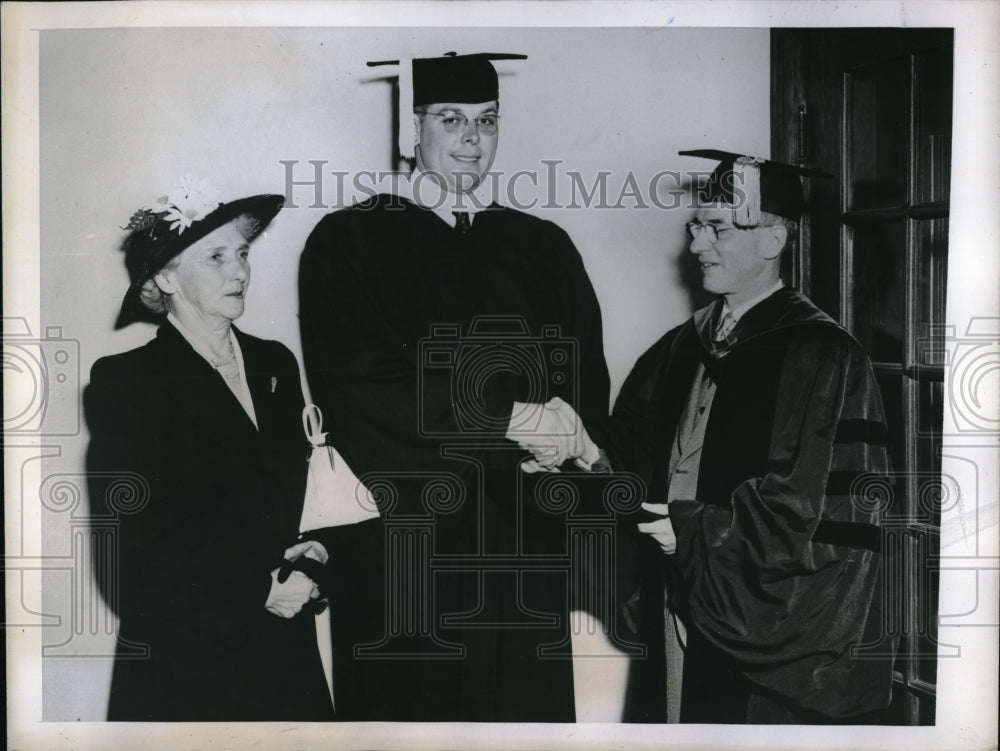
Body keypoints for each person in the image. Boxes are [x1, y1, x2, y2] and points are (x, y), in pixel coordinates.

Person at [521, 150, 895, 723]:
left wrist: (695, 531)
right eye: (698, 226)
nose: (697, 245)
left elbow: (819, 509)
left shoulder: (823, 354)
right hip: (677, 593)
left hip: (755, 616)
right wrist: (585, 446)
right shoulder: (681, 345)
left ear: (773, 239)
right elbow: (640, 447)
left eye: (718, 228)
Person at [298, 53, 611, 722]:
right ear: (412, 130)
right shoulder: (348, 241)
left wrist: (567, 438)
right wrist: (507, 422)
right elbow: (362, 386)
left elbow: (583, 372)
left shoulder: (543, 246)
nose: (472, 139)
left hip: (523, 543)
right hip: (406, 550)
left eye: (487, 121)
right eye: (451, 119)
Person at [85, 176, 333, 721]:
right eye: (216, 256)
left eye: (242, 253)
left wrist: (315, 552)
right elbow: (129, 558)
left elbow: (296, 497)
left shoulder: (275, 364)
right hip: (187, 664)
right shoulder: (127, 382)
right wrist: (254, 591)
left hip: (286, 654)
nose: (240, 271)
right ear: (168, 277)